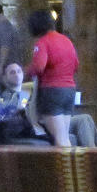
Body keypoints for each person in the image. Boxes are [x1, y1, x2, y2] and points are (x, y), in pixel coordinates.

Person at [24, 10, 79, 147]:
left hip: (52, 91)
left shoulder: (42, 42)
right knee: (65, 137)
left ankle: (65, 168)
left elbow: (39, 66)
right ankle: (71, 165)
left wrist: (24, 71)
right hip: (69, 90)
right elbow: (76, 65)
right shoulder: (66, 40)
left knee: (60, 141)